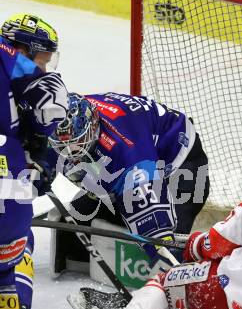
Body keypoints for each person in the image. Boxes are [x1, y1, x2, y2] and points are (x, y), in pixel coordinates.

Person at [69, 143, 242, 309]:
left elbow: (219, 243)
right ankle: (147, 304)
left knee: (166, 279)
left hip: (226, 304)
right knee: (202, 277)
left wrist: (194, 244)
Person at [47, 91, 209, 286]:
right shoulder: (58, 120)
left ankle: (180, 292)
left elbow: (155, 231)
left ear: (94, 127)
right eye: (62, 147)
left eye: (78, 144)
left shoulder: (128, 150)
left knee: (168, 244)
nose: (72, 155)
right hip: (126, 158)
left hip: (181, 163)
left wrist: (165, 261)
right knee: (77, 215)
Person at [0, 13, 68, 309]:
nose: (44, 65)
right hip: (7, 185)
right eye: (42, 56)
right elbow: (48, 110)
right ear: (26, 48)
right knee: (14, 244)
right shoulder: (23, 71)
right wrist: (40, 162)